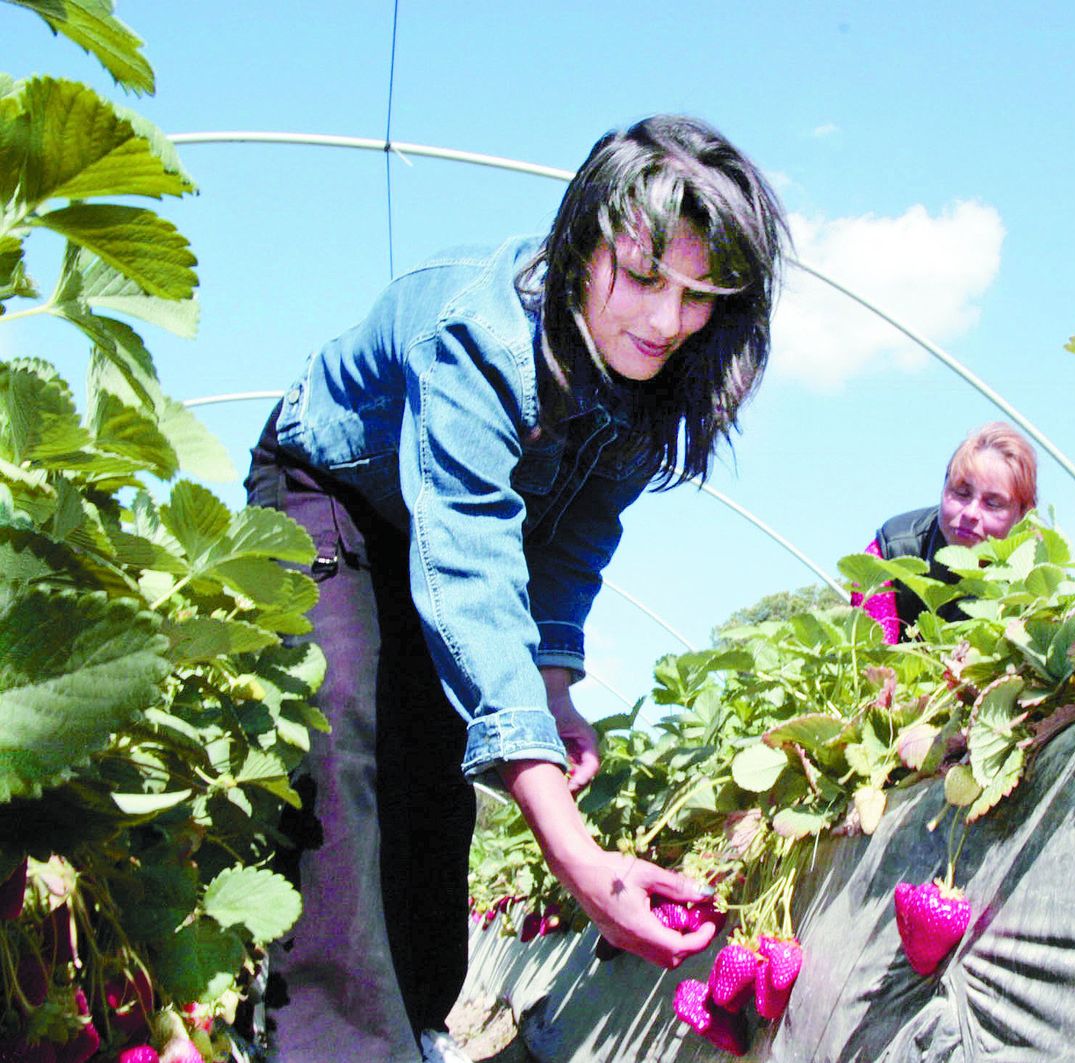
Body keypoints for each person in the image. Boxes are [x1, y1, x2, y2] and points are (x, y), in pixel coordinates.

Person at [243, 115, 788, 1062]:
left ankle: (414, 1017)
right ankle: (320, 1040)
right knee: (344, 724)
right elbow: (466, 560)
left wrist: (552, 690)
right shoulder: (480, 334)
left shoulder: (649, 383)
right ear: (586, 242)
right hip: (333, 492)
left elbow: (573, 539)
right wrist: (574, 853)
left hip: (443, 531)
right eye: (645, 275)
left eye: (701, 295)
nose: (665, 320)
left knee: (440, 754)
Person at [851, 422, 1038, 644]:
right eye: (961, 493)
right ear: (943, 487)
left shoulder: (1034, 578)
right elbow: (872, 654)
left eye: (993, 503)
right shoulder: (892, 550)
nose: (971, 513)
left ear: (1023, 514)